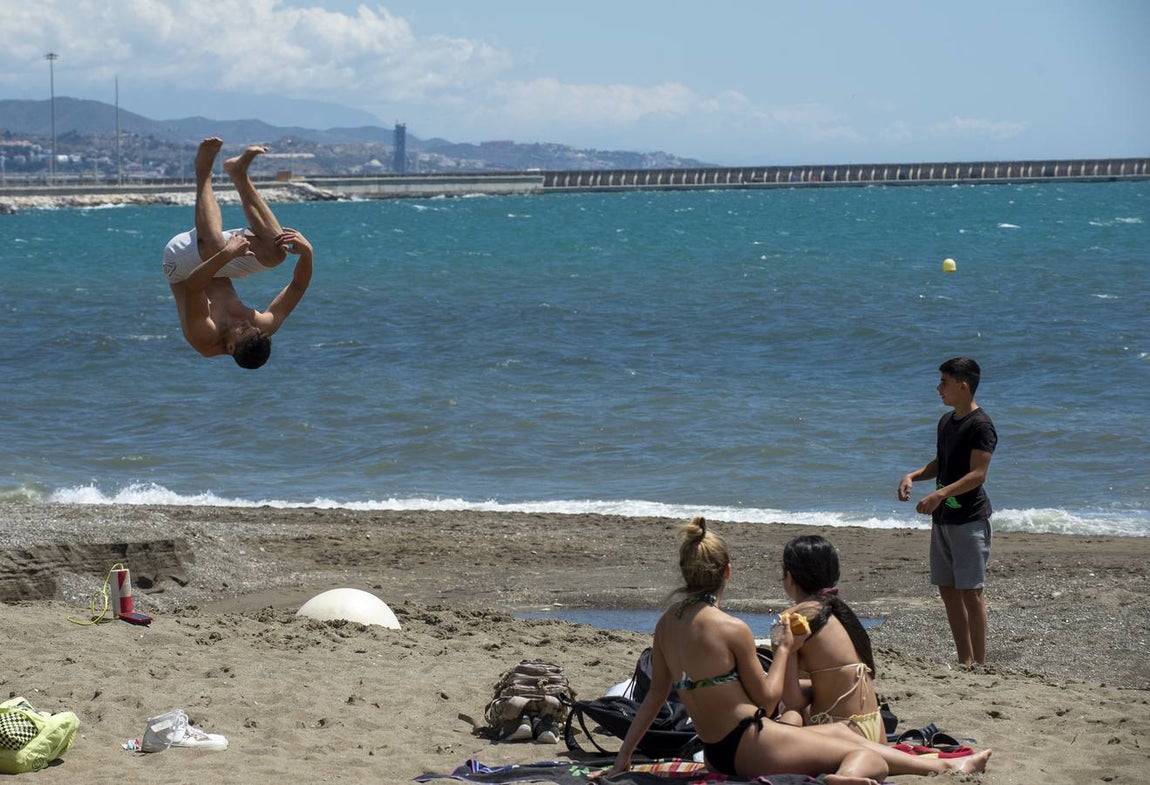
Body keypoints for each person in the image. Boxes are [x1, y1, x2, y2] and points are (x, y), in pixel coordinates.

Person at [608, 517, 991, 783]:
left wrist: (624, 758)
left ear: (685, 569)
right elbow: (770, 697)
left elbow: (655, 696)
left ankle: (928, 768)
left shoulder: (665, 623)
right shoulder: (731, 628)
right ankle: (944, 771)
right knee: (858, 748)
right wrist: (786, 649)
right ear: (727, 572)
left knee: (845, 737)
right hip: (749, 744)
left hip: (715, 752)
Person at [162, 137, 313, 368]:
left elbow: (193, 287)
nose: (246, 322)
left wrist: (227, 255)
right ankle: (239, 173)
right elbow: (297, 287)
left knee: (216, 248)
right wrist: (307, 254)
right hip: (219, 264)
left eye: (242, 330)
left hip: (180, 267)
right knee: (276, 252)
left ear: (230, 347)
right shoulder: (260, 328)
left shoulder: (205, 337)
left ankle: (203, 171)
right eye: (251, 327)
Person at [898, 357, 998, 665]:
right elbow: (942, 464)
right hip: (943, 519)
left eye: (944, 382)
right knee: (948, 589)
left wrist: (940, 493)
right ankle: (964, 660)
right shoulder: (946, 421)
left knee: (972, 592)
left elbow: (978, 474)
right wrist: (913, 476)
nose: (938, 387)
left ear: (963, 386)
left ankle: (980, 665)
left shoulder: (981, 425)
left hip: (969, 520)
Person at [776, 535, 883, 742]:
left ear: (789, 577)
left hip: (837, 728)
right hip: (874, 729)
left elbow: (792, 699)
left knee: (789, 715)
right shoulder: (841, 613)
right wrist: (822, 686)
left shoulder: (789, 620)